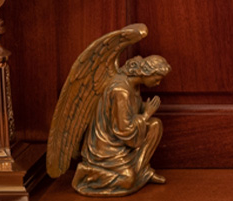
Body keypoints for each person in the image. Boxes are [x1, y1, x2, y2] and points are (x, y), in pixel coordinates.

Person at [72, 55, 171, 196]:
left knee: (155, 125)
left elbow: (129, 110)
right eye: (157, 79)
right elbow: (124, 130)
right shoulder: (120, 91)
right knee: (127, 180)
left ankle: (142, 170)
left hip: (122, 142)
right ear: (147, 74)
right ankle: (88, 173)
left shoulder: (132, 84)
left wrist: (144, 108)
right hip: (106, 149)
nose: (158, 83)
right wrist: (146, 115)